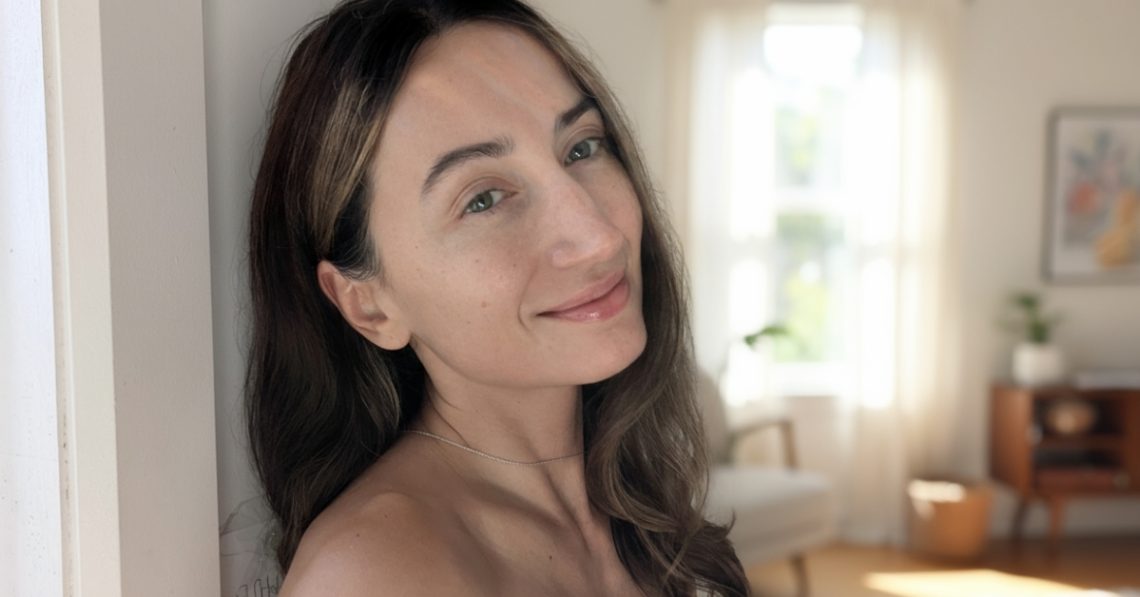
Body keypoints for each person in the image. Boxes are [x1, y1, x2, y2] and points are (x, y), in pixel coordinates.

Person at [245, 0, 749, 595]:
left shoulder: (636, 507)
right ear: (369, 305)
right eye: (483, 198)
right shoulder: (371, 573)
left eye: (582, 147)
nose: (599, 236)